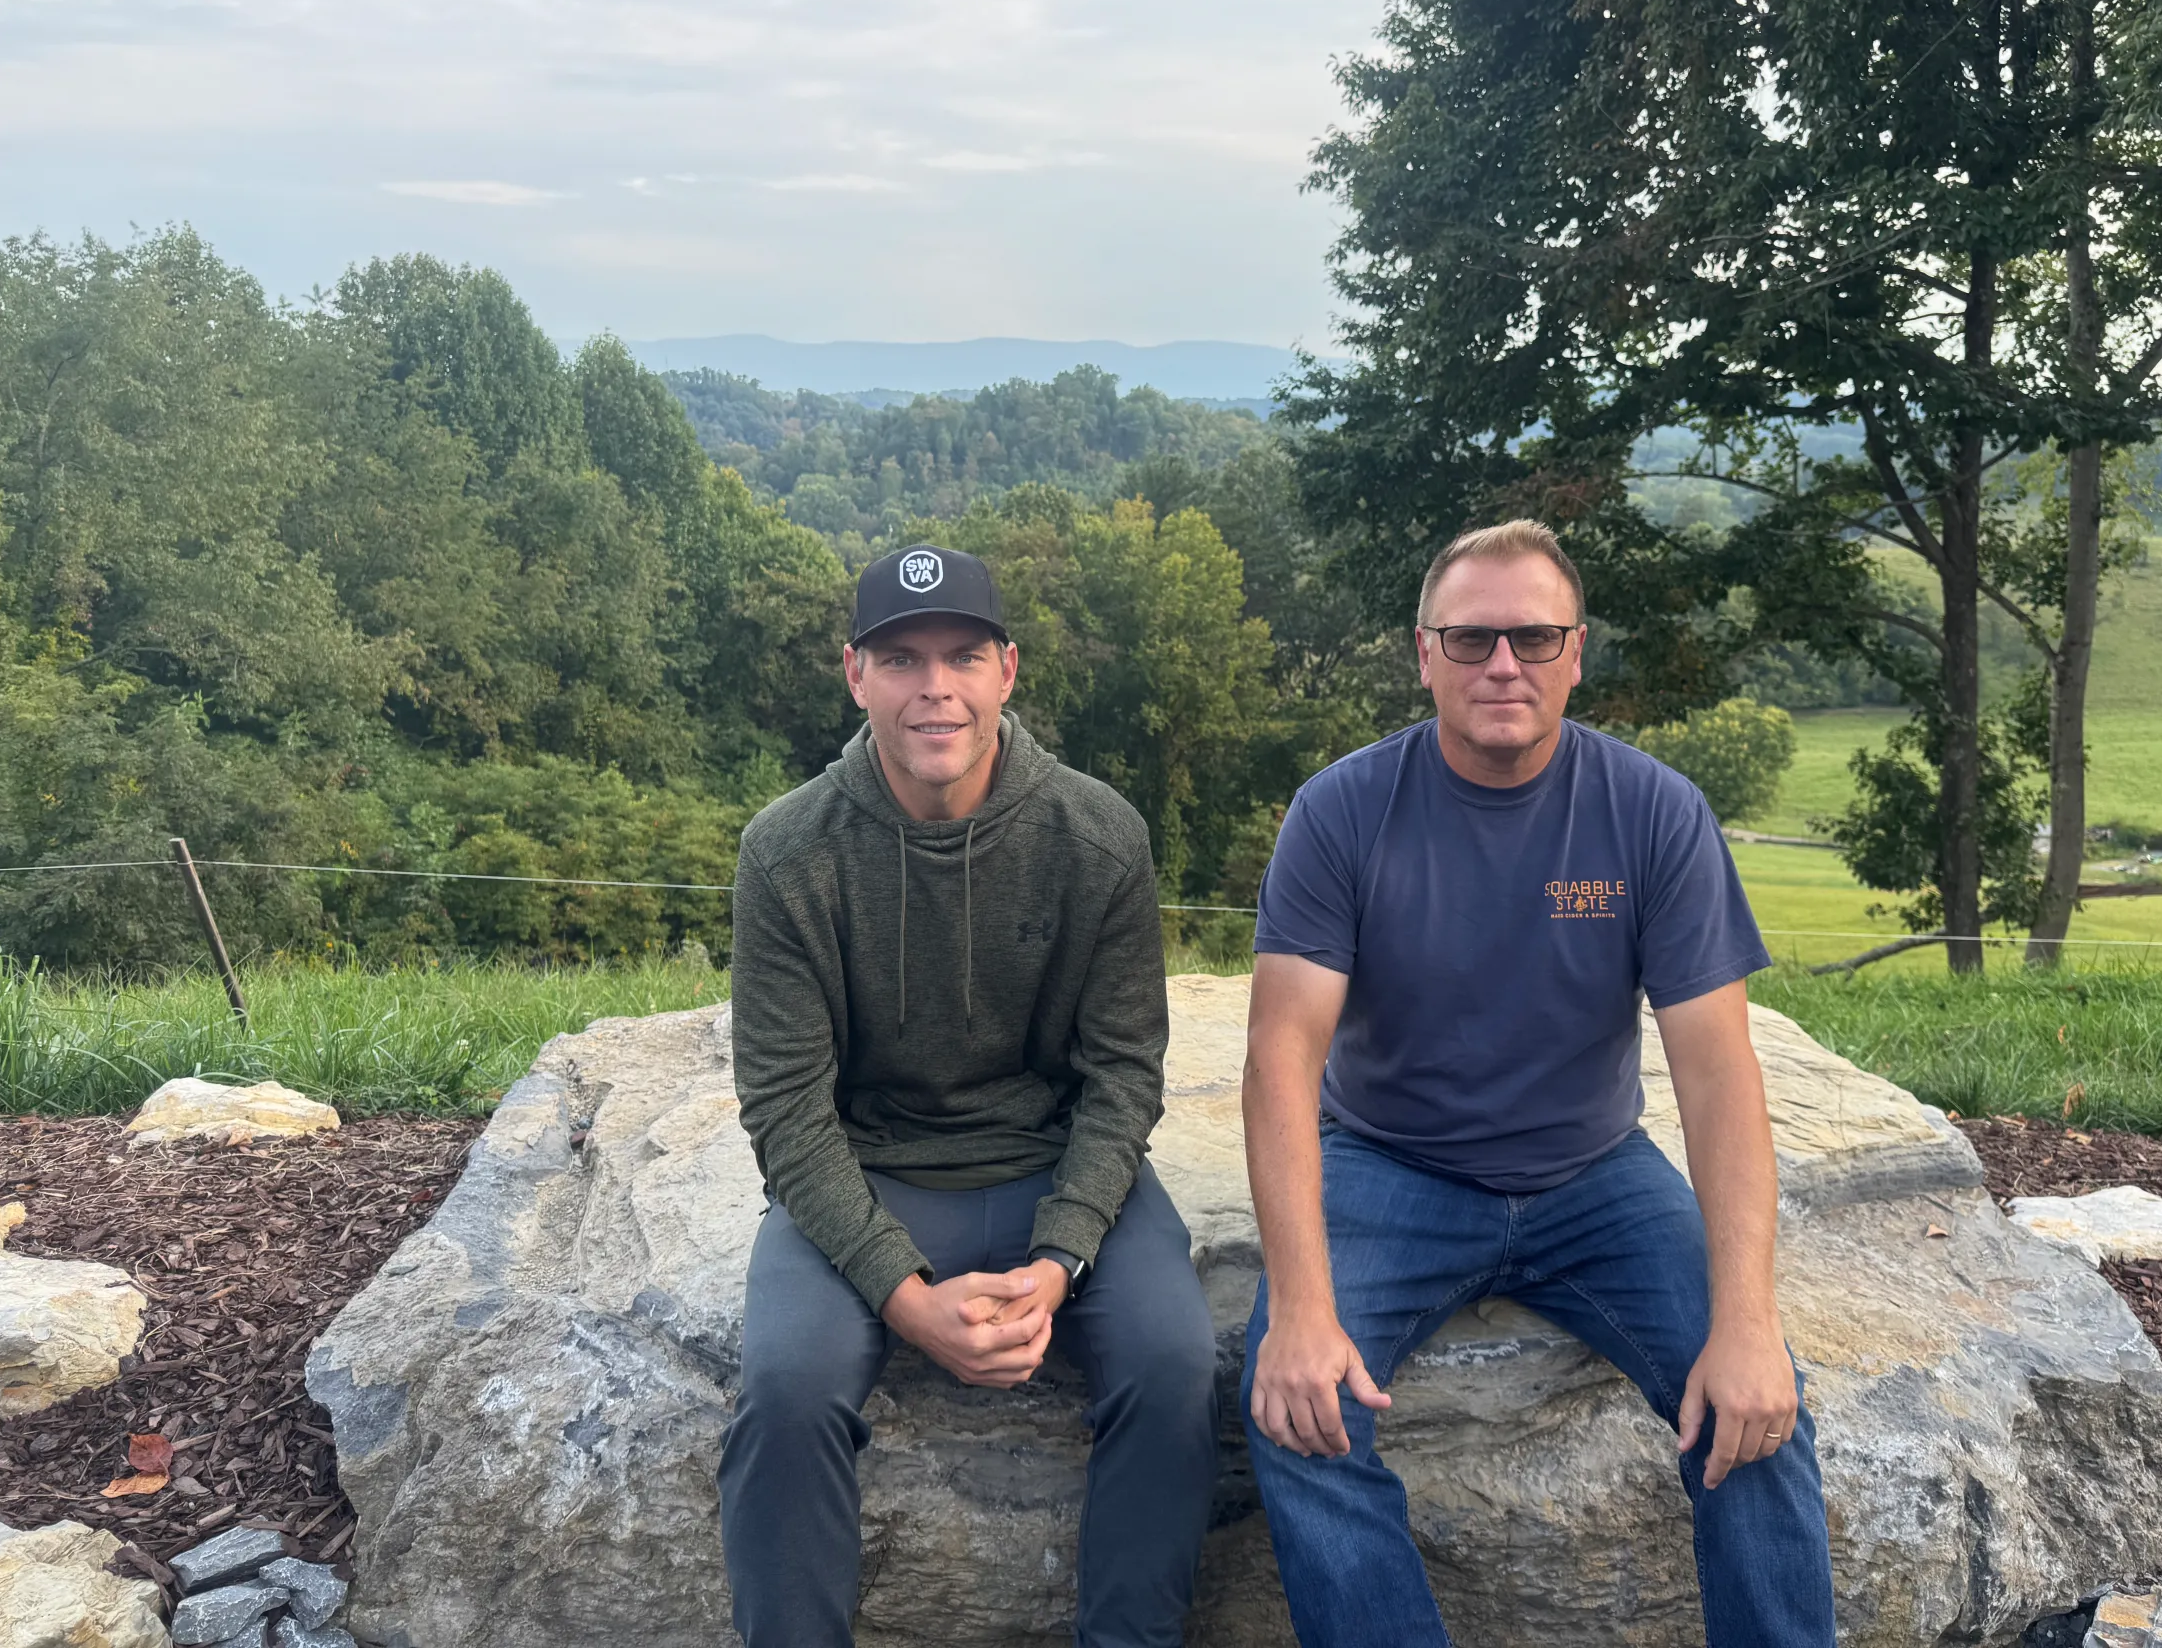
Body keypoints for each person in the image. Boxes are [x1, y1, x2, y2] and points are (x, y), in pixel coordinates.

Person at [1239, 519, 1838, 1647]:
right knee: (1293, 1407)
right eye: (1470, 639)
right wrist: (1304, 1314)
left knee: (1759, 1411)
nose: (1501, 665)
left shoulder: (1653, 811)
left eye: (1532, 637)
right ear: (1424, 653)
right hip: (1389, 1166)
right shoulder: (1342, 812)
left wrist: (1749, 1322)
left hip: (1594, 1175)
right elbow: (1280, 1061)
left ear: (1576, 654)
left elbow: (1716, 1072)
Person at [720, 542, 1220, 1648]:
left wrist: (1059, 1263)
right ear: (856, 676)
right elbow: (787, 1113)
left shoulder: (1099, 837)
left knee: (1178, 1362)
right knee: (787, 1387)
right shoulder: (787, 852)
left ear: (1008, 670)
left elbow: (1123, 1075)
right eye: (900, 659)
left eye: (961, 656)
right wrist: (906, 1302)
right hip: (874, 1169)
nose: (933, 686)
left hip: (1053, 1167)